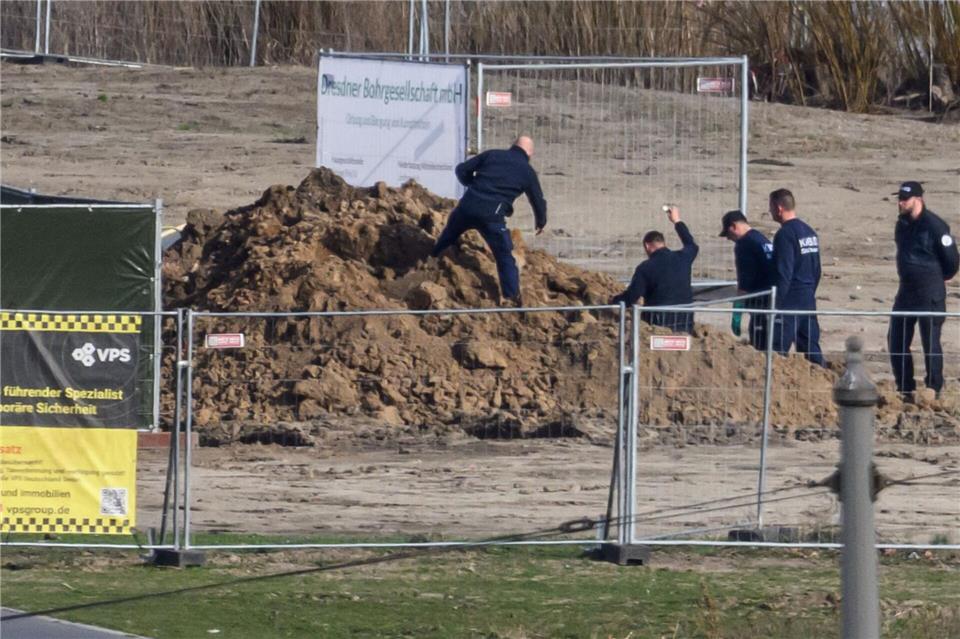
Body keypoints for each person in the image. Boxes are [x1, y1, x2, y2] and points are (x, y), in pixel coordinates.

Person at [431, 135, 547, 306]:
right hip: (492, 217)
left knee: (447, 237)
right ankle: (511, 296)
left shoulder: (492, 155)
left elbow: (461, 169)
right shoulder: (527, 172)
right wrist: (541, 221)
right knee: (504, 256)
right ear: (530, 153)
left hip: (467, 207)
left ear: (513, 145)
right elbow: (537, 199)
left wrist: (472, 185)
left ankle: (429, 263)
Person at [888, 181, 958, 399]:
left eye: (905, 199)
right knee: (896, 338)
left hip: (929, 292)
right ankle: (905, 386)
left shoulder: (935, 226)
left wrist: (940, 278)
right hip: (906, 291)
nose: (900, 202)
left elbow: (952, 260)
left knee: (930, 341)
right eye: (899, 198)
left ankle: (933, 387)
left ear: (918, 199)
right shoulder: (902, 224)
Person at [610, 206, 699, 333]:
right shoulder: (683, 258)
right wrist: (677, 220)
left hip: (658, 324)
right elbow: (691, 245)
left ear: (647, 245)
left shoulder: (645, 268)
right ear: (663, 243)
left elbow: (633, 296)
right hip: (685, 320)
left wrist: (614, 301)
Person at [768, 189, 825, 366]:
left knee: (778, 349)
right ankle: (820, 383)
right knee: (810, 347)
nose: (769, 211)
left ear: (778, 208)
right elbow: (817, 269)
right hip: (808, 298)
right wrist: (809, 292)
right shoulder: (809, 232)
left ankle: (774, 387)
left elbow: (784, 272)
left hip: (790, 299)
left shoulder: (785, 234)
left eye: (770, 207)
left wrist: (777, 304)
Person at [719, 210, 775, 350]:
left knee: (759, 342)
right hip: (772, 297)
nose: (728, 238)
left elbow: (745, 279)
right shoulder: (760, 238)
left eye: (728, 233)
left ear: (733, 226)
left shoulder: (744, 244)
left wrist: (737, 313)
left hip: (759, 299)